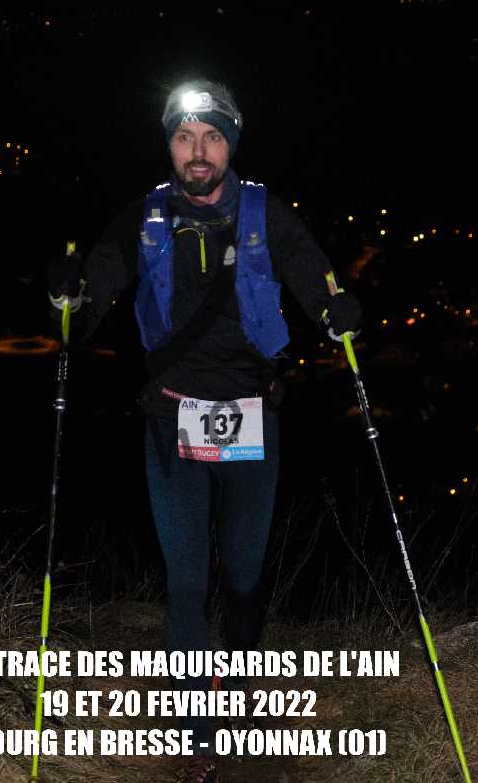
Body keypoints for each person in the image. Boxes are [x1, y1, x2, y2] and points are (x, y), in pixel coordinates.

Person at [46, 79, 362, 783]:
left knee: (244, 578)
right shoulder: (144, 218)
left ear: (230, 145)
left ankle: (239, 698)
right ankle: (196, 733)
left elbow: (317, 280)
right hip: (171, 419)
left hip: (252, 416)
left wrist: (338, 313)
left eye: (212, 137)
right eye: (185, 137)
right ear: (170, 147)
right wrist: (65, 294)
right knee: (187, 581)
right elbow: (86, 304)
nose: (198, 151)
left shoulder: (267, 214)